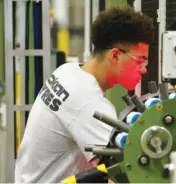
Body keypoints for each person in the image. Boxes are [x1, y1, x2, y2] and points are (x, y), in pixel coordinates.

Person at [15, 6, 154, 183]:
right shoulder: (90, 105)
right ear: (115, 56)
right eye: (140, 61)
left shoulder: (66, 72)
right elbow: (127, 171)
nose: (144, 69)